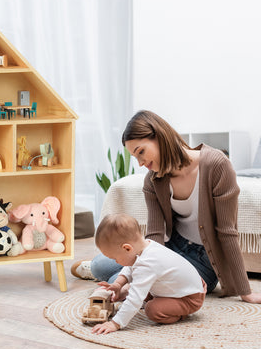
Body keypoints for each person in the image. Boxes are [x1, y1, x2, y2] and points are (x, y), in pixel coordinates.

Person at [72, 110, 261, 304]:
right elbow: (155, 234)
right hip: (172, 247)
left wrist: (245, 292)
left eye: (141, 152)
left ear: (159, 137)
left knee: (118, 281)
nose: (140, 163)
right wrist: (144, 271)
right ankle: (116, 272)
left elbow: (227, 232)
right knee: (99, 266)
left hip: (203, 260)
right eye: (135, 157)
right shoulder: (153, 180)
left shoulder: (217, 165)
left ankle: (123, 276)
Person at [92, 213, 206, 335]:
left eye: (115, 258)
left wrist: (115, 323)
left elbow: (135, 298)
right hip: (186, 285)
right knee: (136, 289)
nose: (116, 262)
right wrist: (118, 284)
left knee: (152, 309)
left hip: (188, 297)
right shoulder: (146, 245)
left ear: (127, 248)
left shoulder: (147, 263)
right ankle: (157, 299)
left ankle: (180, 315)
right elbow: (130, 267)